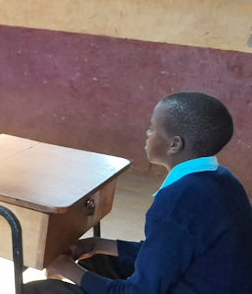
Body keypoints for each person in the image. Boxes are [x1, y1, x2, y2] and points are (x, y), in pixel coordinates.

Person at [25, 92, 252, 293]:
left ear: (175, 145)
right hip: (217, 282)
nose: (147, 133)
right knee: (96, 260)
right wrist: (97, 244)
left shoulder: (176, 202)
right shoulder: (223, 178)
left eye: (153, 129)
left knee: (38, 291)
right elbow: (167, 252)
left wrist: (65, 268)